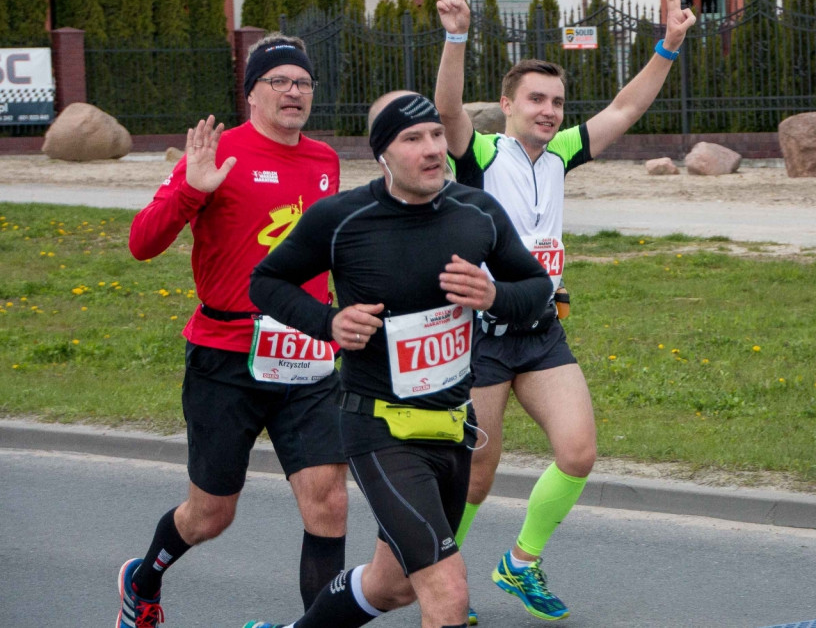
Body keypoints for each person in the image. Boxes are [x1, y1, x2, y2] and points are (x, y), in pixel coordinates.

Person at [433, 0, 697, 623]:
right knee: (475, 476)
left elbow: (627, 108)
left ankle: (519, 565)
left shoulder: (563, 153)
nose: (549, 110)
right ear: (510, 103)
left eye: (556, 100)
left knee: (578, 451)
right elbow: (444, 112)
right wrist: (457, 37)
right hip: (482, 335)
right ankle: (440, 585)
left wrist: (668, 45)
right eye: (536, 99)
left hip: (542, 327)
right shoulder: (481, 155)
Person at [242, 91, 553, 628]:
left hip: (453, 428)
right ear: (382, 154)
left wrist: (493, 296)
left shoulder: (475, 213)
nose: (433, 149)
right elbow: (266, 281)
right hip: (379, 428)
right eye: (413, 139)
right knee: (447, 591)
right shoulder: (342, 219)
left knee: (392, 587)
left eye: (436, 135)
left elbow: (536, 286)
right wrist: (329, 323)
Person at [119, 33, 349, 628]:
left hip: (307, 353)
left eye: (303, 82)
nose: (294, 92)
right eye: (280, 81)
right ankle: (142, 580)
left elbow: (329, 253)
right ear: (252, 93)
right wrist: (192, 189)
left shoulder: (326, 161)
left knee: (328, 504)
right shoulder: (217, 154)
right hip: (225, 356)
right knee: (210, 514)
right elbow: (142, 242)